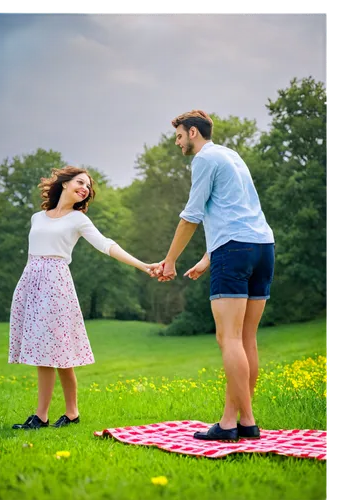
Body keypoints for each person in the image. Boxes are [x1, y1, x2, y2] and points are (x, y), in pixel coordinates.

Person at [152, 110, 275, 441]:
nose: (177, 143)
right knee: (246, 338)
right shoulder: (231, 156)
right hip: (263, 247)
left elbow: (191, 215)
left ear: (193, 132)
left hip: (234, 251)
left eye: (179, 136)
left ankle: (246, 422)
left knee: (229, 339)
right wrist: (208, 257)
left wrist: (170, 260)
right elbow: (237, 211)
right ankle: (229, 421)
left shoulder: (204, 159)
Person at [9, 166, 158, 429]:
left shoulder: (78, 219)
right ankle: (56, 415)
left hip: (56, 285)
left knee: (58, 353)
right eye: (80, 182)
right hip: (31, 281)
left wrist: (143, 265)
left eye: (88, 186)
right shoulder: (37, 217)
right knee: (45, 353)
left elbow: (106, 244)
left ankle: (58, 414)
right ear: (64, 183)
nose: (85, 188)